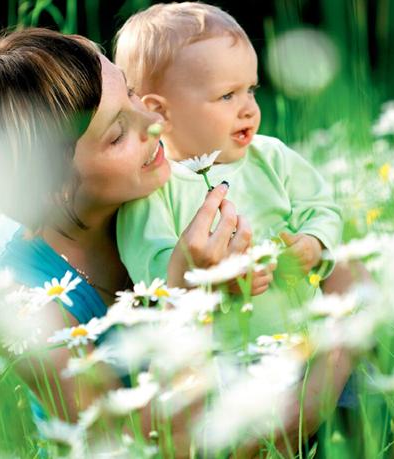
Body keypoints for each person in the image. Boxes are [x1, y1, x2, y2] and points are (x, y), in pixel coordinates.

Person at [0, 28, 351, 457]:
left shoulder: (166, 184)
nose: (154, 123)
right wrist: (186, 299)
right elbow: (159, 446)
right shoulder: (18, 299)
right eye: (117, 134)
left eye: (133, 94)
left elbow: (324, 251)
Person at [114, 2, 351, 345]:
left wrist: (314, 243)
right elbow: (152, 271)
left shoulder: (273, 156)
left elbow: (322, 208)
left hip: (307, 342)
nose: (249, 109)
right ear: (159, 113)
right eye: (227, 95)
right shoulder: (153, 188)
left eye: (251, 90)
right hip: (226, 368)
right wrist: (214, 281)